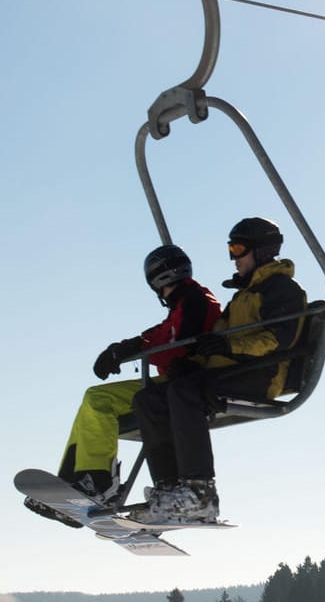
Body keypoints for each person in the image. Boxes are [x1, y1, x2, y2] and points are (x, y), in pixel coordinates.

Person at [129, 217, 309, 525]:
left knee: (185, 391)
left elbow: (276, 339)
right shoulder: (244, 294)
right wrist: (195, 360)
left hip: (260, 374)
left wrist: (230, 348)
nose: (233, 257)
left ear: (262, 251)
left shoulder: (282, 289)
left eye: (238, 249)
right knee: (150, 399)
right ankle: (170, 491)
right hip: (232, 370)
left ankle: (199, 493)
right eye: (231, 249)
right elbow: (222, 338)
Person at [28, 243, 221, 527]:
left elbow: (176, 344)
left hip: (183, 380)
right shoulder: (189, 301)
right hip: (177, 378)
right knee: (94, 401)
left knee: (99, 401)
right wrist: (129, 346)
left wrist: (134, 351)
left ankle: (96, 482)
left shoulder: (195, 301)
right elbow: (162, 335)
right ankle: (77, 479)